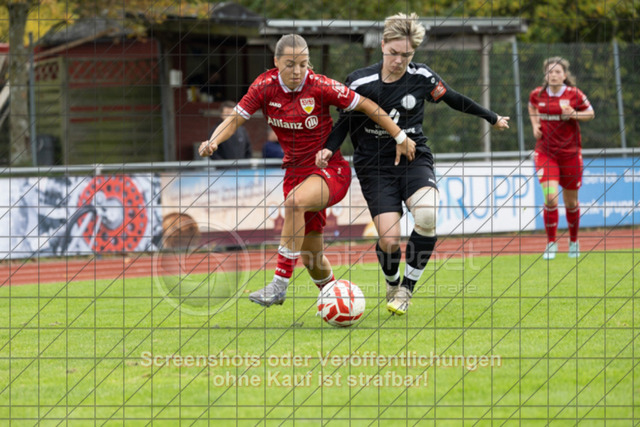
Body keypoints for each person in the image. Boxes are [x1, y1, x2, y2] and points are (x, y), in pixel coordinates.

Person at [199, 34, 416, 307]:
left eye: (303, 64)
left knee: (294, 203)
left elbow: (366, 105)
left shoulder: (320, 85)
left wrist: (400, 136)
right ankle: (339, 302)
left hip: (330, 170)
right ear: (276, 62)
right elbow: (234, 119)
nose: (298, 71)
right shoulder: (264, 87)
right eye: (290, 64)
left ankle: (279, 285)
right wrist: (213, 141)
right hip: (295, 175)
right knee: (311, 257)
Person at [316, 12, 510, 316]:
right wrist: (329, 147)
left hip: (413, 158)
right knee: (389, 239)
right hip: (374, 166)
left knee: (428, 214)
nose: (399, 60)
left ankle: (406, 288)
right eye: (394, 52)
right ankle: (392, 282)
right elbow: (344, 121)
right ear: (382, 45)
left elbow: (454, 98)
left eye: (406, 55)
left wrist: (492, 117)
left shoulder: (422, 77)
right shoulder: (360, 81)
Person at [528, 56, 595, 260]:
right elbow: (531, 106)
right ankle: (551, 244)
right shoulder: (537, 94)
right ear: (545, 75)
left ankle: (573, 242)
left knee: (571, 202)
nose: (554, 75)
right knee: (550, 197)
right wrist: (535, 125)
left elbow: (591, 114)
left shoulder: (574, 94)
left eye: (557, 71)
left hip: (570, 155)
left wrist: (574, 114)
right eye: (550, 71)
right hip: (545, 153)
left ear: (564, 75)